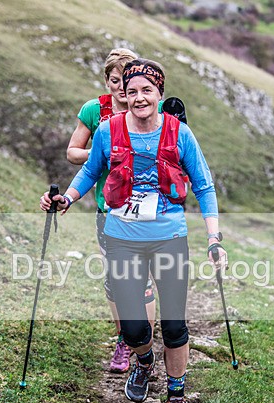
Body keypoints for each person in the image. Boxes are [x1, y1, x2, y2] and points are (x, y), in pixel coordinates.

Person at [42, 59, 227, 403]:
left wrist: (213, 238)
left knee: (174, 325)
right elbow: (90, 170)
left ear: (159, 94)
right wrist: (67, 197)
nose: (139, 98)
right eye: (132, 91)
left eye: (147, 91)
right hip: (121, 238)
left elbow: (204, 187)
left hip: (169, 238)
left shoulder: (180, 134)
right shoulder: (109, 130)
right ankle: (144, 362)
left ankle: (176, 393)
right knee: (133, 329)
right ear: (123, 95)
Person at [65, 48, 156, 375]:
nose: (122, 88)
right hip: (108, 208)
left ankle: (143, 350)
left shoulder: (146, 108)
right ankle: (124, 340)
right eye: (115, 81)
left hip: (146, 209)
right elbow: (73, 152)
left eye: (128, 81)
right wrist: (100, 152)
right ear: (107, 81)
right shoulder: (95, 111)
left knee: (142, 280)